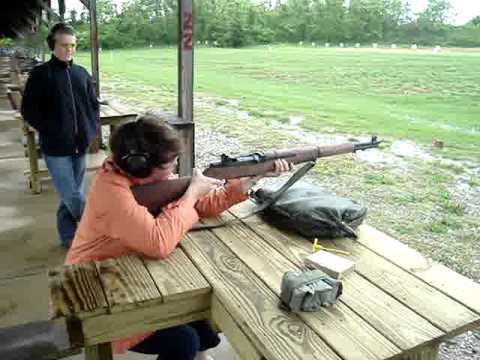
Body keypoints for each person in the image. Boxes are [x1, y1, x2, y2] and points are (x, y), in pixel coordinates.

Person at [65, 115, 291, 360]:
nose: (174, 169)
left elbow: (203, 205)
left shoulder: (144, 175)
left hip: (127, 267)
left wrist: (249, 180)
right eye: (170, 164)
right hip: (92, 285)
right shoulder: (111, 191)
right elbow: (158, 243)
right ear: (142, 165)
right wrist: (191, 194)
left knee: (199, 317)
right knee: (183, 340)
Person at [21, 23, 99, 248]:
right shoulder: (40, 74)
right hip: (55, 148)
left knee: (70, 195)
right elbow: (29, 110)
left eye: (73, 45)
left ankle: (68, 237)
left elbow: (93, 105)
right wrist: (50, 129)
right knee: (72, 194)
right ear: (52, 46)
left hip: (80, 145)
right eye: (64, 45)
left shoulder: (81, 73)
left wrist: (90, 128)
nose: (69, 50)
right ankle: (94, 228)